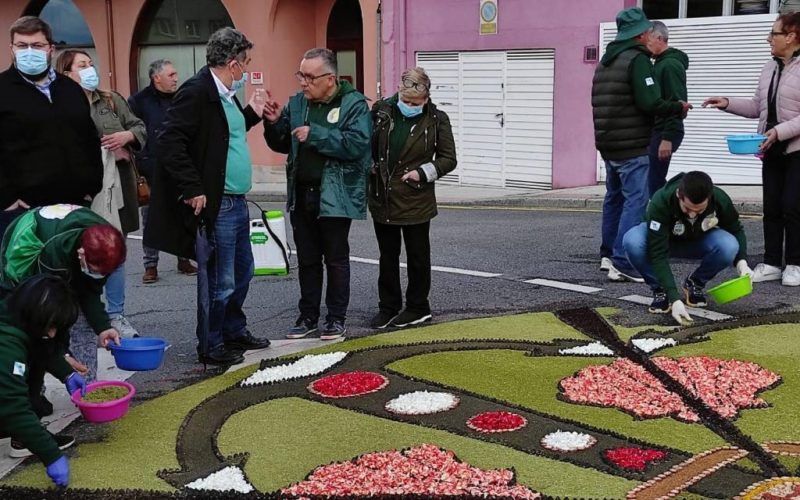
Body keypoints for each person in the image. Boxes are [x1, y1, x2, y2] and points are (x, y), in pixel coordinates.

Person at [147, 27, 270, 366]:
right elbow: (169, 141)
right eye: (245, 63)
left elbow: (222, 135)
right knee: (220, 279)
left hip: (236, 199)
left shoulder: (225, 94)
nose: (246, 69)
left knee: (242, 272)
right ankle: (212, 343)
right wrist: (192, 186)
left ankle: (233, 329)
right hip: (219, 202)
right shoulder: (197, 92)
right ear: (233, 64)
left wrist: (253, 113)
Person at [263, 48, 371, 340]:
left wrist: (316, 135)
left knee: (335, 259)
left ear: (330, 79)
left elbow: (357, 144)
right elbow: (282, 143)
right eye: (301, 75)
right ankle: (308, 316)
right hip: (302, 193)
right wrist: (273, 122)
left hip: (335, 193)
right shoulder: (298, 103)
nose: (303, 82)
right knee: (308, 259)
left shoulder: (353, 104)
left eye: (310, 77)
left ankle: (336, 318)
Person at [592, 7, 691, 283]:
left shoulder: (606, 61)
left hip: (608, 142)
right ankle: (624, 260)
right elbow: (649, 102)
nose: (649, 34)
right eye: (647, 30)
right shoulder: (637, 60)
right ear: (640, 34)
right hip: (632, 144)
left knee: (614, 198)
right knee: (636, 200)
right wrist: (677, 107)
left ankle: (608, 254)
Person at [703, 12, 800, 287]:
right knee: (772, 207)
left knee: (793, 206)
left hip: (796, 149)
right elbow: (758, 106)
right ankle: (771, 263)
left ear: (791, 37)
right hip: (770, 148)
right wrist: (728, 103)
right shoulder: (769, 67)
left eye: (774, 33)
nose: (768, 39)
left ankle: (795, 264)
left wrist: (780, 131)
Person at [55, 49, 147, 338]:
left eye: (90, 63)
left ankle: (116, 314)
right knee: (78, 252)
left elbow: (139, 126)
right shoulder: (57, 103)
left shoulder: (109, 100)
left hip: (117, 189)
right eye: (82, 65)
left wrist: (127, 136)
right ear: (66, 73)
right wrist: (101, 152)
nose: (90, 69)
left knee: (114, 248)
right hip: (78, 192)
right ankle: (78, 315)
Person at [368, 68, 457, 329]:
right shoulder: (382, 110)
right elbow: (365, 143)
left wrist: (422, 173)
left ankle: (418, 307)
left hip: (416, 197)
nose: (409, 106)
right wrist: (368, 164)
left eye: (415, 103)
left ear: (426, 98)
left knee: (418, 256)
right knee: (387, 256)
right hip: (383, 195)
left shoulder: (437, 119)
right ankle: (388, 307)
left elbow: (448, 159)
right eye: (405, 100)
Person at [0, 16, 102, 239]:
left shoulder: (71, 89)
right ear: (12, 49)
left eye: (37, 45)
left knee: (75, 260)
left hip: (74, 204)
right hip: (21, 210)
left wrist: (91, 185)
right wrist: (6, 198)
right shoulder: (3, 89)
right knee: (25, 262)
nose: (29, 51)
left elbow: (89, 138)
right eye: (21, 45)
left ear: (51, 49)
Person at [0, 204, 125, 384]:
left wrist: (103, 327)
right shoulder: (52, 254)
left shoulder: (107, 244)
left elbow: (90, 291)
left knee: (81, 325)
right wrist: (61, 355)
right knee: (33, 326)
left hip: (64, 249)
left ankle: (87, 386)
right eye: (94, 270)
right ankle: (30, 386)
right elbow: (43, 311)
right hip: (28, 246)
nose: (99, 276)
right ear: (81, 254)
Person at [622, 171, 753, 326]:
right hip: (663, 241)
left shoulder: (719, 198)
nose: (692, 215)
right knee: (633, 241)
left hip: (697, 241)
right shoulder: (661, 201)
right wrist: (675, 299)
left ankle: (694, 283)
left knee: (729, 245)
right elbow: (658, 254)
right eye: (687, 209)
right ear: (679, 195)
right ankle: (660, 289)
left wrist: (742, 263)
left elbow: (735, 229)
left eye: (699, 211)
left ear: (709, 197)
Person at [0, 275, 87, 485]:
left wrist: (67, 373)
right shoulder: (7, 345)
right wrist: (51, 455)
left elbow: (43, 346)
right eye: (50, 326)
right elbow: (13, 407)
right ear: (35, 314)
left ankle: (18, 434)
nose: (52, 333)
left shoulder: (20, 314)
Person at [128, 59, 198, 284]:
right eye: (171, 75)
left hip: (179, 167)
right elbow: (134, 132)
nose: (176, 79)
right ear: (156, 77)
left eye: (176, 74)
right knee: (151, 219)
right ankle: (150, 265)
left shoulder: (181, 98)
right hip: (151, 169)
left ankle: (184, 258)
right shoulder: (138, 101)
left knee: (183, 215)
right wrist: (141, 161)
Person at [647, 21, 689, 197]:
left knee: (654, 182)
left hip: (664, 131)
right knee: (653, 181)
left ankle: (682, 200)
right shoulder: (659, 63)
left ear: (659, 38)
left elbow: (677, 103)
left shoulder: (670, 65)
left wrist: (667, 138)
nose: (645, 44)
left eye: (648, 40)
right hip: (657, 130)